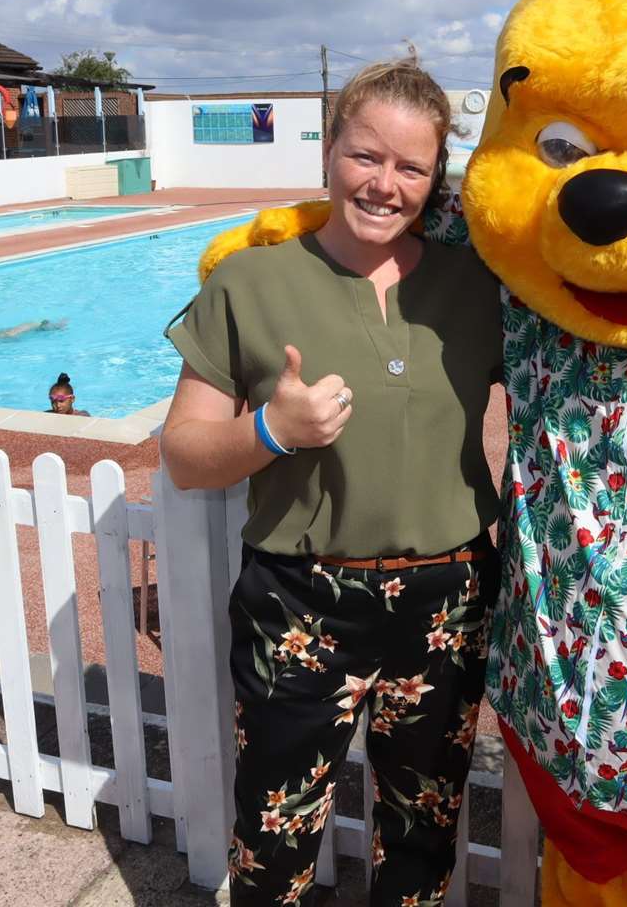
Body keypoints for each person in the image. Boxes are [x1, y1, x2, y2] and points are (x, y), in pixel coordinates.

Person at [160, 59, 501, 906]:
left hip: (446, 602)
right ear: (329, 151)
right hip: (300, 602)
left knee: (422, 836)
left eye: (411, 166)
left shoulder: (478, 289)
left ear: (436, 179)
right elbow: (183, 451)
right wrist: (274, 431)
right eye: (365, 156)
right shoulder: (251, 282)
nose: (384, 184)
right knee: (274, 838)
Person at [0, 318, 66, 339]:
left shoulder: (2, 333)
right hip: (32, 326)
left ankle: (59, 326)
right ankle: (59, 326)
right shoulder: (4, 333)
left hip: (32, 327)